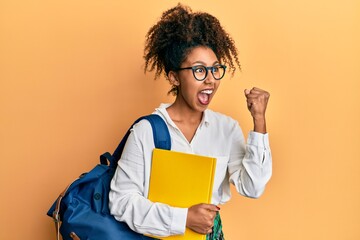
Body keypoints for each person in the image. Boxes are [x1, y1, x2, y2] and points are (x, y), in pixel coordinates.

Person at [109, 3, 272, 239]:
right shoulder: (147, 131)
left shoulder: (226, 129)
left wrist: (259, 121)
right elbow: (120, 201)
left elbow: (253, 187)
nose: (210, 80)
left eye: (215, 69)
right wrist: (183, 218)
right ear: (174, 77)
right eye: (199, 70)